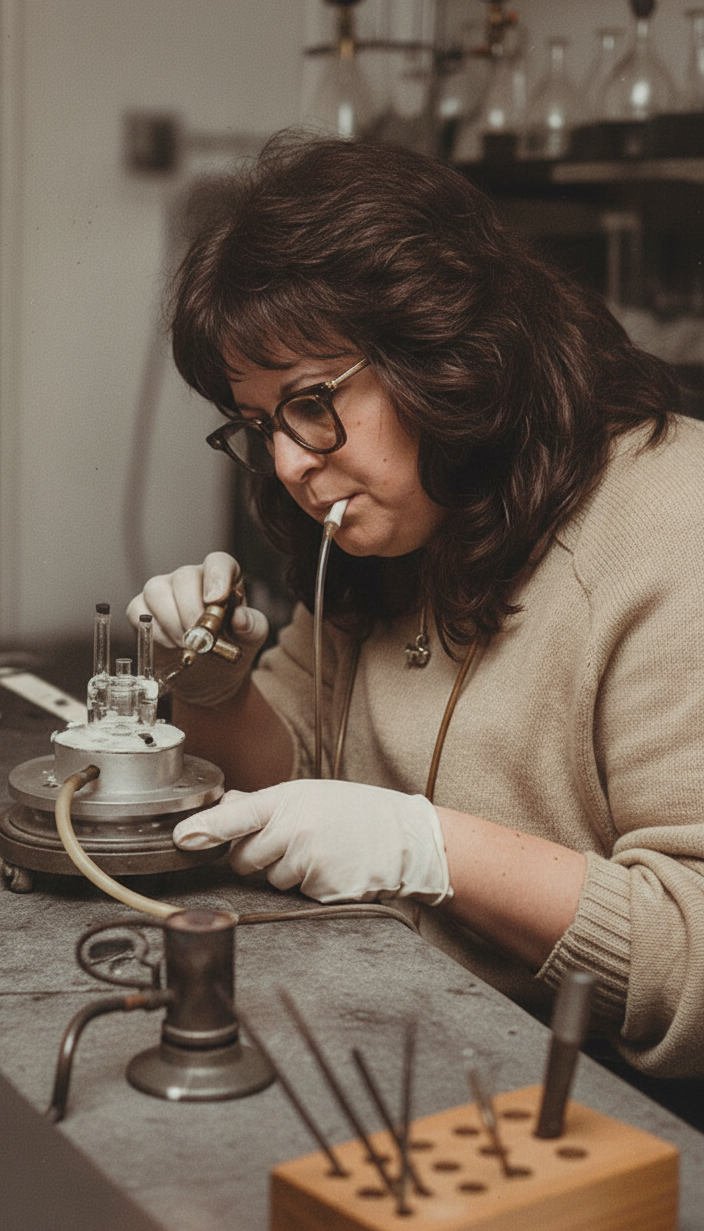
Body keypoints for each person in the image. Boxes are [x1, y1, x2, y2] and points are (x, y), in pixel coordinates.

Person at [127, 134, 704, 1082]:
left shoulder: (670, 522)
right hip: (406, 1036)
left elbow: (690, 956)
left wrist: (426, 848)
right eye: (261, 424)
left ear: (442, 351)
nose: (288, 463)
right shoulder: (400, 516)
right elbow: (298, 774)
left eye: (311, 401)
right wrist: (216, 689)